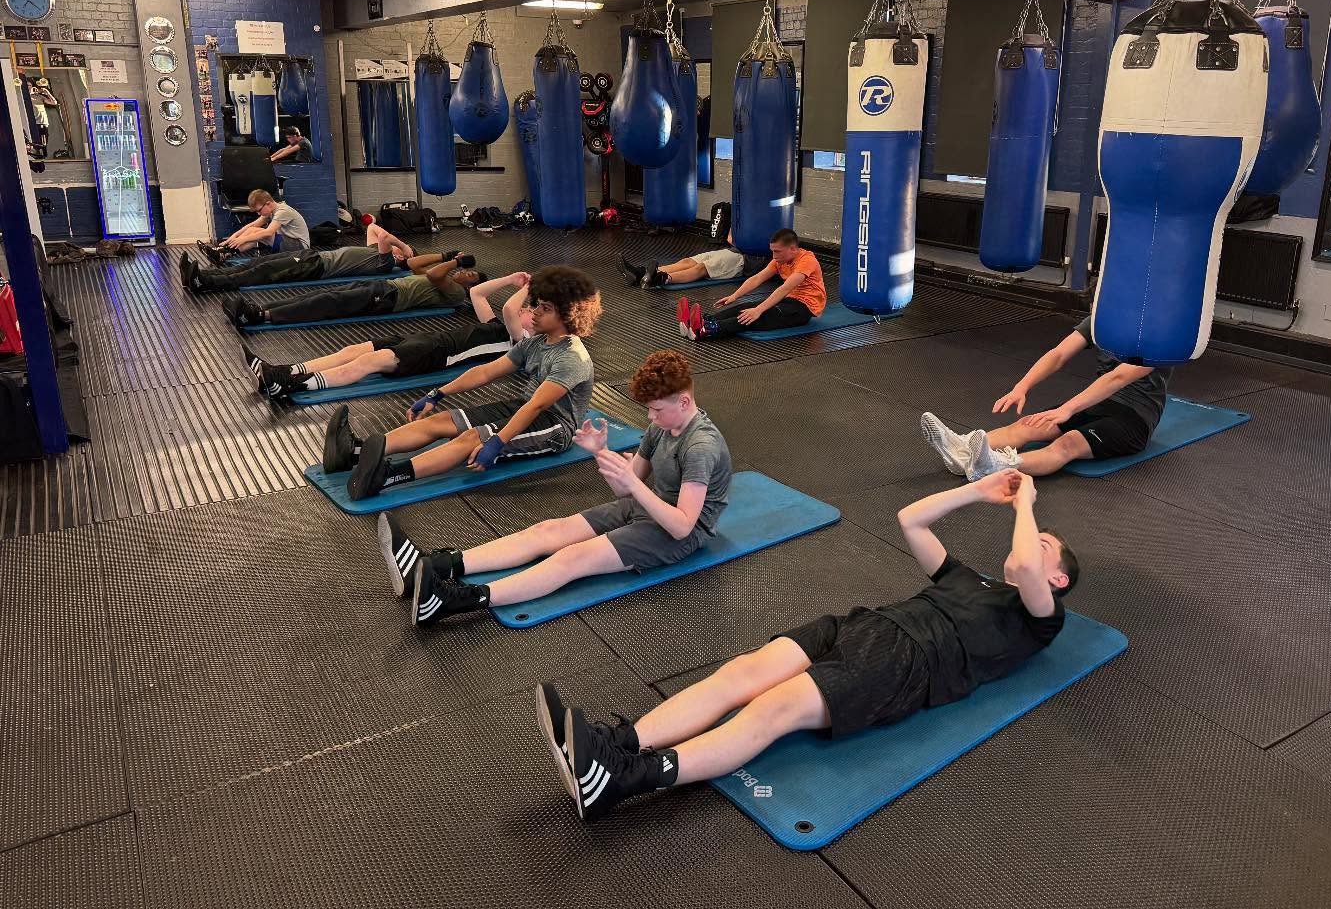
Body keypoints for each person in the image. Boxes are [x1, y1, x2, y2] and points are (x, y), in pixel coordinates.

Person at [534, 468, 1075, 819]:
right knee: (739, 674)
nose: (1032, 543)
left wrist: (1027, 508)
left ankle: (626, 780)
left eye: (1047, 545)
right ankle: (620, 744)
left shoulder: (1039, 617)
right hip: (862, 625)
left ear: (1059, 581)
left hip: (908, 663)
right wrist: (978, 492)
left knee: (772, 708)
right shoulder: (969, 580)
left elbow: (1025, 562)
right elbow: (911, 520)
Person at [378, 349, 731, 629]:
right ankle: (435, 566)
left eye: (656, 410)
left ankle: (456, 601)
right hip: (646, 508)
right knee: (548, 530)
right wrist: (602, 453)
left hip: (678, 532)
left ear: (684, 402)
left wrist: (634, 484)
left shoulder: (700, 446)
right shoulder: (662, 427)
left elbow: (682, 524)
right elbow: (626, 488)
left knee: (571, 558)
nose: (650, 418)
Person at [322, 265, 601, 501]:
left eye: (546, 308)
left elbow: (538, 406)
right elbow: (486, 372)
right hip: (525, 406)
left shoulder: (573, 358)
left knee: (471, 438)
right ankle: (353, 452)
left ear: (568, 316)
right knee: (441, 421)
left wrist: (497, 443)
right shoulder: (536, 343)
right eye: (537, 304)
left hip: (554, 425)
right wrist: (437, 394)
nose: (535, 312)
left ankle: (385, 478)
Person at [920, 315, 1172, 480]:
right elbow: (1059, 354)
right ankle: (959, 449)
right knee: (1026, 425)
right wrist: (1021, 387)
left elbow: (1119, 377)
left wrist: (1069, 408)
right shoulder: (1102, 315)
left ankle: (996, 465)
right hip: (1098, 401)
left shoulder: (1157, 328)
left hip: (1135, 417)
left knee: (1069, 443)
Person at [244, 271, 533, 399]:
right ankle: (282, 371)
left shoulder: (518, 341)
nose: (527, 309)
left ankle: (293, 386)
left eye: (534, 310)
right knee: (355, 349)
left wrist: (528, 290)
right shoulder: (496, 326)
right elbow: (476, 293)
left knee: (369, 361)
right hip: (428, 338)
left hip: (437, 354)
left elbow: (509, 308)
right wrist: (511, 279)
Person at [221, 252, 483, 329]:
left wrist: (456, 262)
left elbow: (437, 273)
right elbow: (414, 263)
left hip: (388, 298)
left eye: (468, 275)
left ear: (471, 287)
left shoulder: (456, 294)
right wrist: (446, 254)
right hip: (384, 287)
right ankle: (259, 310)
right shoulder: (443, 281)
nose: (462, 273)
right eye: (466, 270)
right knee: (317, 296)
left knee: (327, 301)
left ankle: (259, 318)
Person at [179, 220, 415, 293]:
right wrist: (402, 249)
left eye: (398, 253)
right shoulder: (375, 252)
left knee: (261, 273)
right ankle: (202, 274)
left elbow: (384, 237)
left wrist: (404, 249)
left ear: (398, 258)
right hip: (312, 256)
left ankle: (206, 282)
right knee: (260, 261)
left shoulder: (383, 263)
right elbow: (374, 228)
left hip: (315, 267)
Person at [676, 228, 826, 340]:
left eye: (777, 251)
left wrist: (758, 310)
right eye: (772, 251)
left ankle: (707, 330)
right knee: (744, 307)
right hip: (789, 300)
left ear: (793, 249)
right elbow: (757, 278)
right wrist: (734, 296)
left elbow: (785, 288)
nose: (774, 256)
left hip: (804, 308)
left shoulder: (807, 261)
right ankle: (702, 321)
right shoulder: (779, 260)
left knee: (757, 316)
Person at [616, 231, 764, 290]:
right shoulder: (749, 212)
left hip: (744, 260)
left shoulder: (776, 219)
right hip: (732, 250)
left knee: (701, 269)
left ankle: (661, 279)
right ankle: (639, 274)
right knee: (687, 262)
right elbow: (730, 238)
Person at [200, 190, 310, 262]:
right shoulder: (271, 210)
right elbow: (251, 225)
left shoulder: (283, 211)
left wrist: (242, 239)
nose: (258, 214)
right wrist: (233, 237)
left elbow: (268, 233)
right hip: (287, 242)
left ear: (268, 203)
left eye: (259, 210)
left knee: (260, 233)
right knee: (253, 230)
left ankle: (224, 252)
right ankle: (223, 252)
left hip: (300, 248)